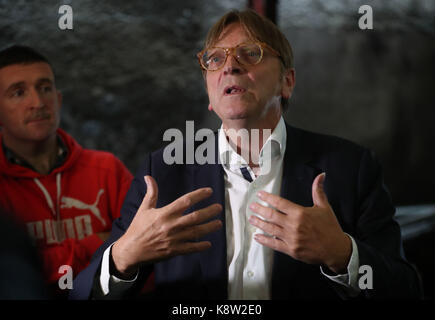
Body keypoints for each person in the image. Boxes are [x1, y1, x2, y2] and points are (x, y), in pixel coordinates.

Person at [70, 9, 421, 300]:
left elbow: (406, 291)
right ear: (210, 91)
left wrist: (341, 254)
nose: (230, 66)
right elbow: (82, 295)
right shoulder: (163, 172)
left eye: (250, 53)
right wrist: (123, 256)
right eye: (215, 59)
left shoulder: (351, 168)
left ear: (287, 82)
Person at [0, 45, 133, 298]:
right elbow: (11, 275)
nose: (38, 103)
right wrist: (99, 244)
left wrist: (44, 259)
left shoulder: (107, 168)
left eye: (45, 88)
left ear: (58, 100)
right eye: (18, 93)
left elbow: (142, 252)